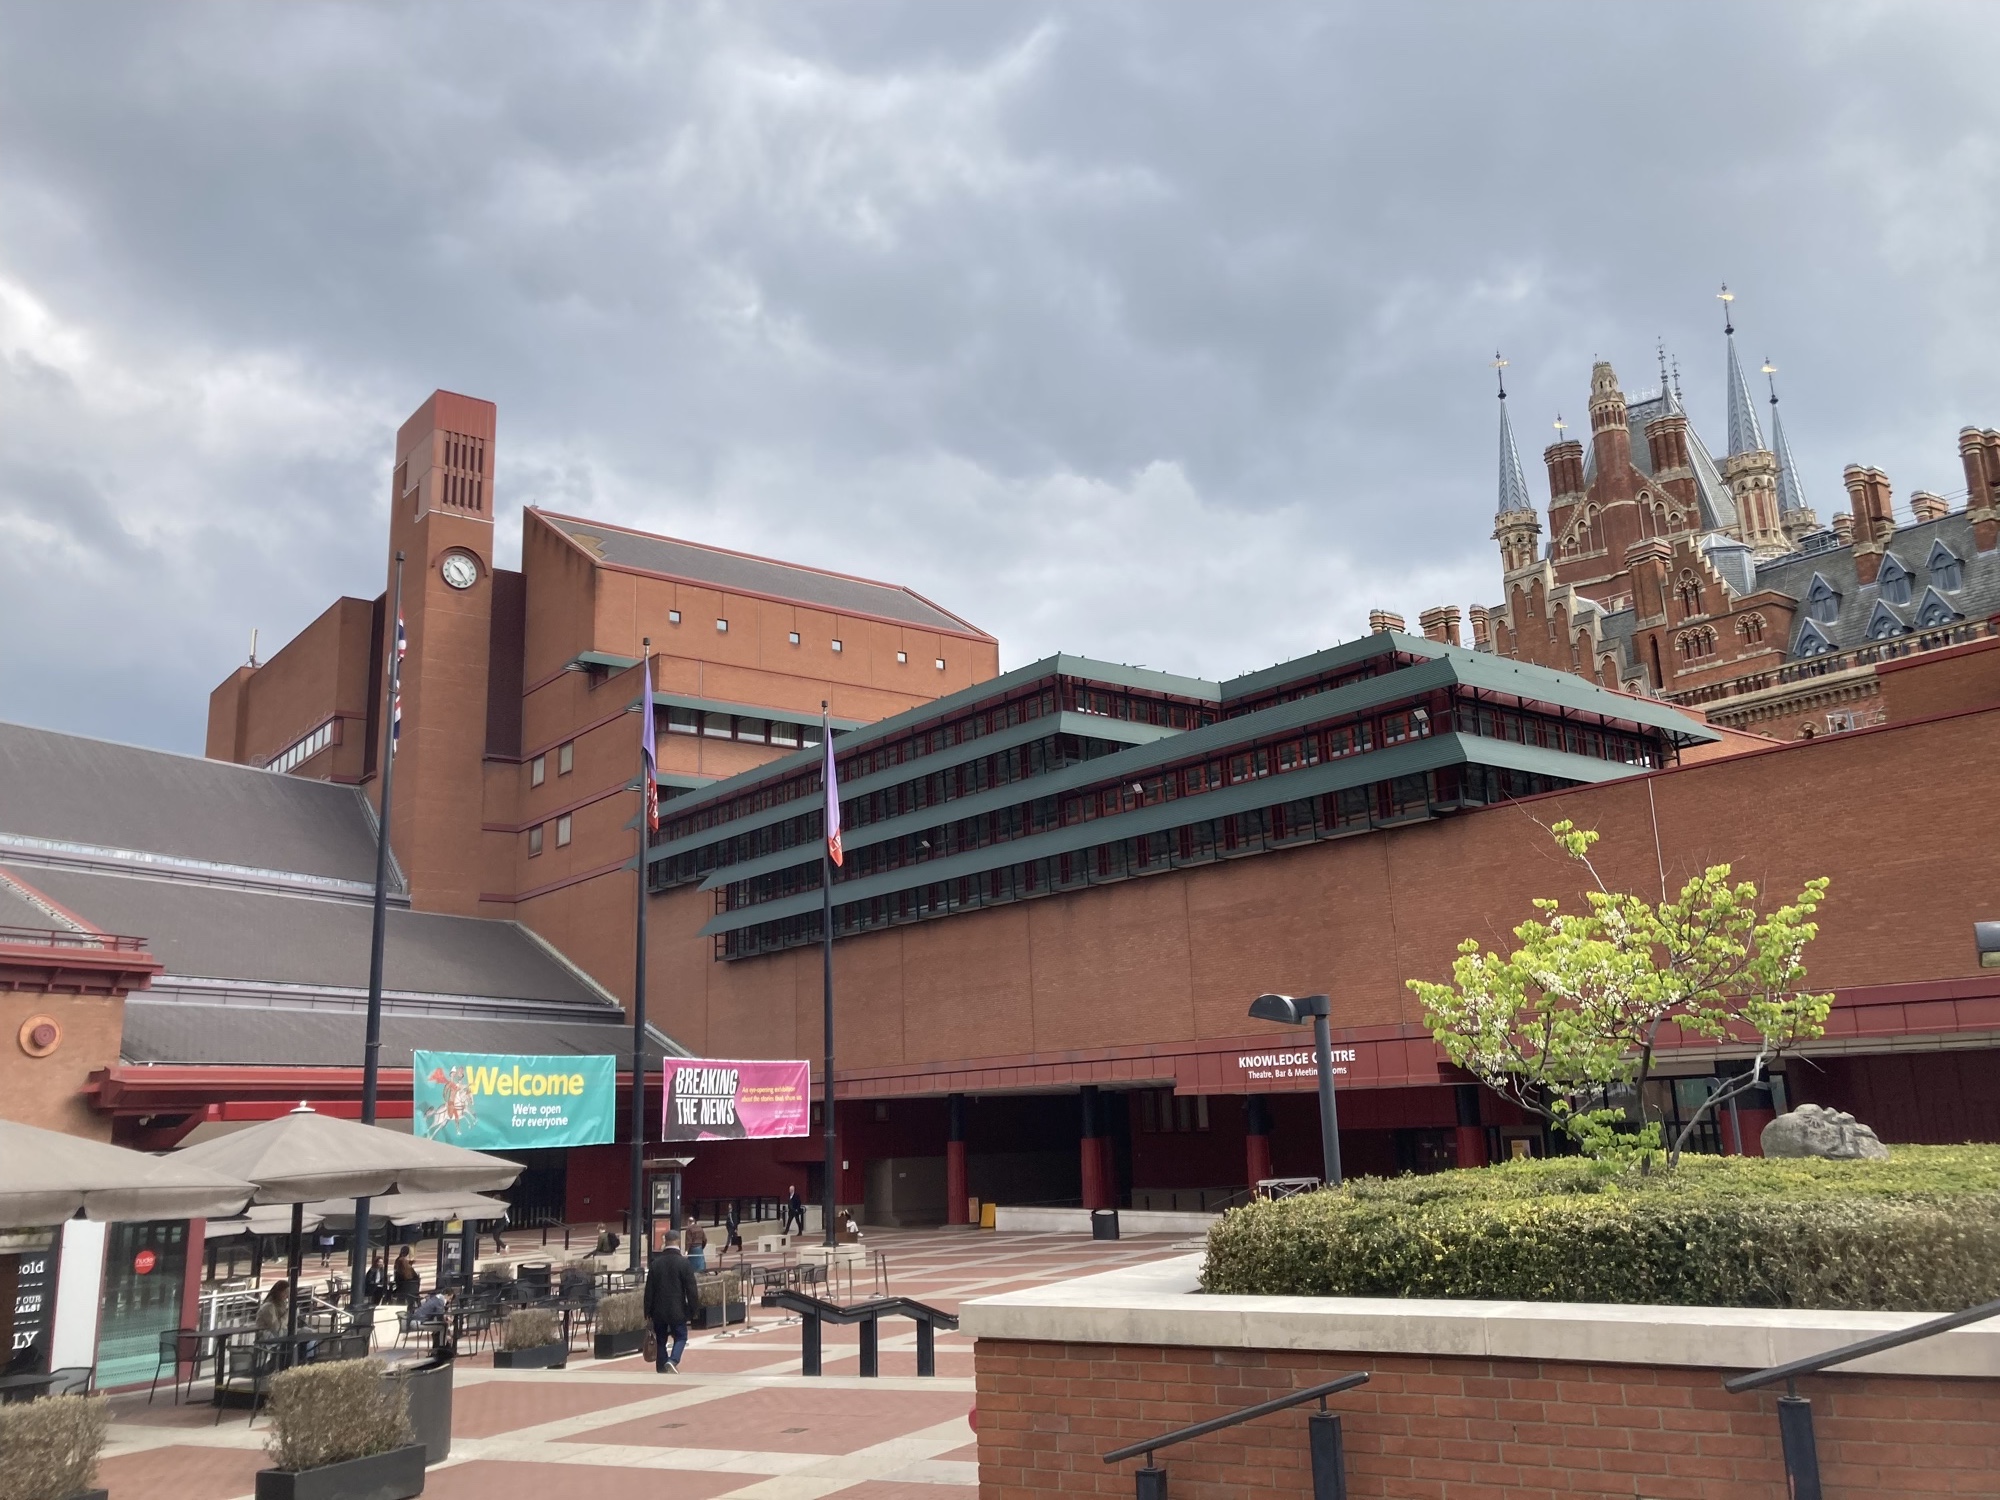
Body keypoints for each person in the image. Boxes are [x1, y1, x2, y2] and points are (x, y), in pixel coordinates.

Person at [644, 1237, 699, 1375]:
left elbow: (649, 1290)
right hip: (677, 1308)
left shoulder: (655, 1264)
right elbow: (691, 1289)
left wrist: (647, 1310)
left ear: (666, 1242)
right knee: (681, 1336)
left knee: (660, 1339)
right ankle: (673, 1360)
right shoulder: (684, 1263)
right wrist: (694, 1309)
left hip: (658, 1309)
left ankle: (662, 1367)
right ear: (678, 1243)